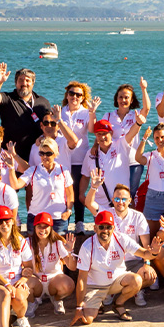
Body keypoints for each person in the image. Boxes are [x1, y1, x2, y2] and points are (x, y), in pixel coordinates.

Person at [70, 209, 162, 325]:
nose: (105, 230)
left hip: (116, 282)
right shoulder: (87, 246)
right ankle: (99, 302)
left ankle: (118, 304)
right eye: (101, 227)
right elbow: (82, 279)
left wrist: (154, 252)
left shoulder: (121, 239)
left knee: (137, 280)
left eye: (108, 227)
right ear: (95, 228)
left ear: (113, 228)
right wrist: (78, 307)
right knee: (87, 320)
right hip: (95, 287)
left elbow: (144, 254)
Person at [83, 183, 157, 306]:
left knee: (150, 276)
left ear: (130, 200)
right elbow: (89, 203)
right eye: (117, 199)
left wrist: (147, 264)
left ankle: (134, 292)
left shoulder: (138, 217)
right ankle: (110, 292)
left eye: (124, 199)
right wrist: (93, 187)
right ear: (113, 200)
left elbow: (146, 244)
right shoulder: (106, 213)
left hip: (133, 261)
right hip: (111, 262)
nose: (120, 202)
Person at [81, 115, 145, 218]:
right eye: (99, 134)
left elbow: (131, 134)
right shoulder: (90, 154)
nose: (102, 137)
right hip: (100, 204)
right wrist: (81, 194)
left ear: (111, 133)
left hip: (121, 203)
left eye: (105, 134)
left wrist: (138, 123)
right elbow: (85, 176)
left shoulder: (120, 145)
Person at [0, 63, 53, 161]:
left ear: (33, 83)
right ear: (16, 83)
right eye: (20, 80)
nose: (24, 83)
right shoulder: (8, 99)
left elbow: (51, 125)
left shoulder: (43, 102)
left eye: (27, 80)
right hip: (12, 155)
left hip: (38, 154)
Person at [99, 78, 151, 192]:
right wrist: (94, 147)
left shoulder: (135, 115)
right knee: (114, 192)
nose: (123, 100)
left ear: (131, 100)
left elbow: (146, 108)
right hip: (114, 161)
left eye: (126, 97)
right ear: (116, 99)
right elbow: (101, 134)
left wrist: (144, 89)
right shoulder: (108, 116)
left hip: (133, 161)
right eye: (121, 97)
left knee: (130, 193)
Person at [25, 214, 76, 316]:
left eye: (46, 226)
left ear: (51, 228)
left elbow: (72, 267)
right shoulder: (27, 243)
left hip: (53, 280)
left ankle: (57, 299)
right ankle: (32, 302)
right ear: (34, 227)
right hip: (36, 280)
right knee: (23, 284)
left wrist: (70, 251)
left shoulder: (58, 243)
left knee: (68, 284)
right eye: (39, 226)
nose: (42, 229)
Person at [21, 138, 74, 233]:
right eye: (41, 153)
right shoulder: (33, 171)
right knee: (34, 247)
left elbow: (70, 194)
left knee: (59, 247)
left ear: (55, 154)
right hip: (36, 218)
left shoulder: (63, 171)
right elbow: (20, 187)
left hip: (58, 219)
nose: (44, 156)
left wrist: (69, 211)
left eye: (48, 154)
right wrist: (11, 167)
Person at [60, 81, 93, 226]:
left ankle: (79, 222)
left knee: (79, 192)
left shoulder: (86, 112)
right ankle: (64, 223)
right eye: (72, 93)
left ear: (83, 98)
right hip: (63, 158)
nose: (75, 97)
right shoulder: (60, 112)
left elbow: (91, 130)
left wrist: (92, 113)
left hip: (81, 159)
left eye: (79, 95)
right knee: (64, 192)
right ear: (67, 95)